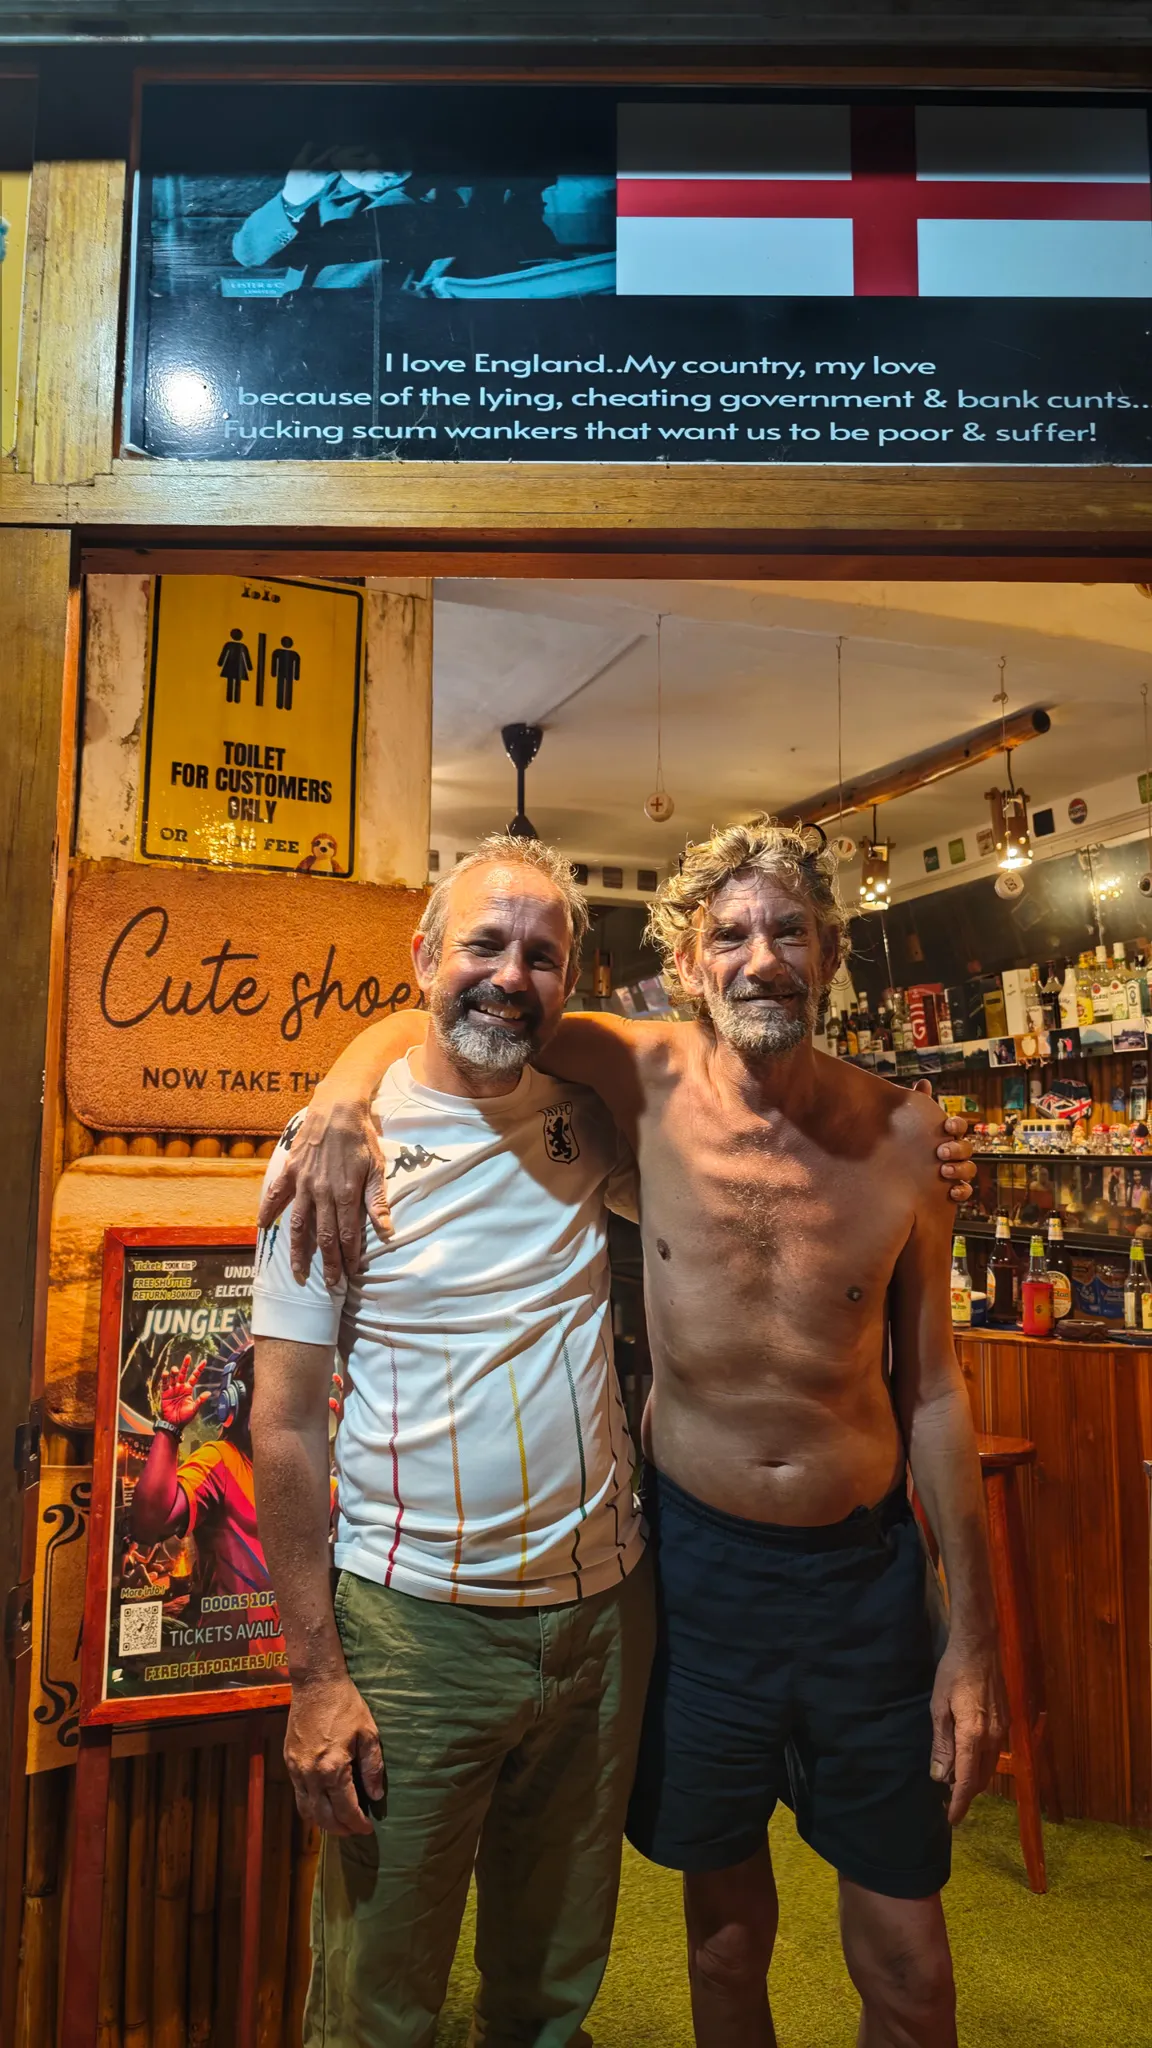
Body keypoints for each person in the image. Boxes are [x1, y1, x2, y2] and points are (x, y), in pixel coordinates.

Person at [257, 823, 990, 2048]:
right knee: (647, 1949)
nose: (764, 958)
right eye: (732, 934)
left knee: (854, 1966)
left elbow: (934, 1388)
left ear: (831, 952)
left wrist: (974, 1634)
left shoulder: (857, 1132)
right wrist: (337, 1091)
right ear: (690, 961)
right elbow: (454, 1014)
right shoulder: (573, 1095)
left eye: (791, 931)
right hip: (583, 1594)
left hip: (738, 1594)